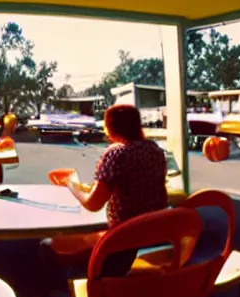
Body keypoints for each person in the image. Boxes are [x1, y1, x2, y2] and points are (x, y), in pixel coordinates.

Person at [42, 104, 169, 277]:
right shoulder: (155, 150)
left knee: (46, 245)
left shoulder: (117, 154)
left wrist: (70, 183)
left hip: (119, 238)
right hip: (146, 233)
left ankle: (57, 294)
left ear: (110, 128)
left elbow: (93, 204)